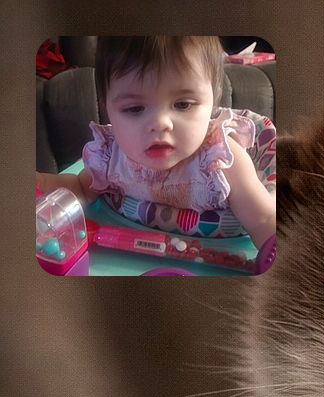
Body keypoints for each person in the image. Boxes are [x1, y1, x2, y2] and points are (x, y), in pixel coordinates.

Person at [37, 36, 275, 249]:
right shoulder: (112, 158)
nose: (161, 123)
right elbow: (81, 188)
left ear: (214, 98)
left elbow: (263, 220)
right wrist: (43, 184)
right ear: (106, 107)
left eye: (183, 104)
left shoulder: (222, 160)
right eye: (135, 108)